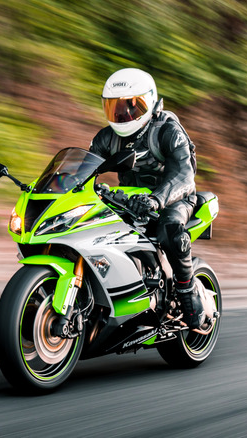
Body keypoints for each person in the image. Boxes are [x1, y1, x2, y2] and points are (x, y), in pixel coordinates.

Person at [89, 68, 205, 329]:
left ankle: (188, 294)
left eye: (131, 107)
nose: (123, 115)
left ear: (149, 101)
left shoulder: (167, 131)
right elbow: (84, 170)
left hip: (175, 197)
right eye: (115, 108)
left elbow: (184, 175)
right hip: (127, 201)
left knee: (170, 228)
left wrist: (156, 200)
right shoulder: (106, 138)